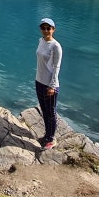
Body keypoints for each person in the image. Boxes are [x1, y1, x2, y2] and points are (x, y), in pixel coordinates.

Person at [35, 17, 63, 149]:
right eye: (43, 28)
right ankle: (47, 135)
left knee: (51, 112)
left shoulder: (56, 46)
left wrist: (52, 85)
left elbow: (57, 67)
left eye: (48, 28)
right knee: (44, 111)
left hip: (50, 85)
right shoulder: (41, 41)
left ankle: (51, 139)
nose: (46, 30)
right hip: (39, 81)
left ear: (53, 29)